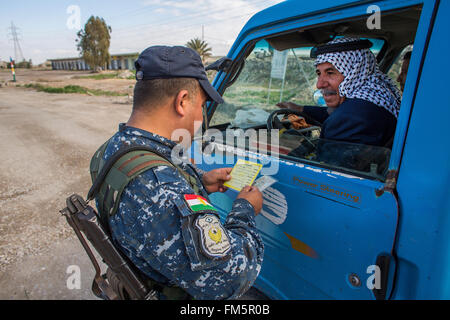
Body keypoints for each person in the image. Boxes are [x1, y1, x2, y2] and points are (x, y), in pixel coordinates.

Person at [93, 46, 264, 300]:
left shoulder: (114, 148)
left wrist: (200, 183)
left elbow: (151, 207)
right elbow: (229, 279)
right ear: (183, 101)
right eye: (203, 106)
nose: (202, 116)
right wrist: (245, 211)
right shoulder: (160, 186)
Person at [277, 37, 402, 148]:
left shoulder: (353, 118)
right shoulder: (373, 98)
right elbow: (339, 114)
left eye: (330, 73)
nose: (319, 84)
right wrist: (300, 109)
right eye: (319, 73)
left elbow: (325, 167)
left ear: (356, 72)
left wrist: (294, 149)